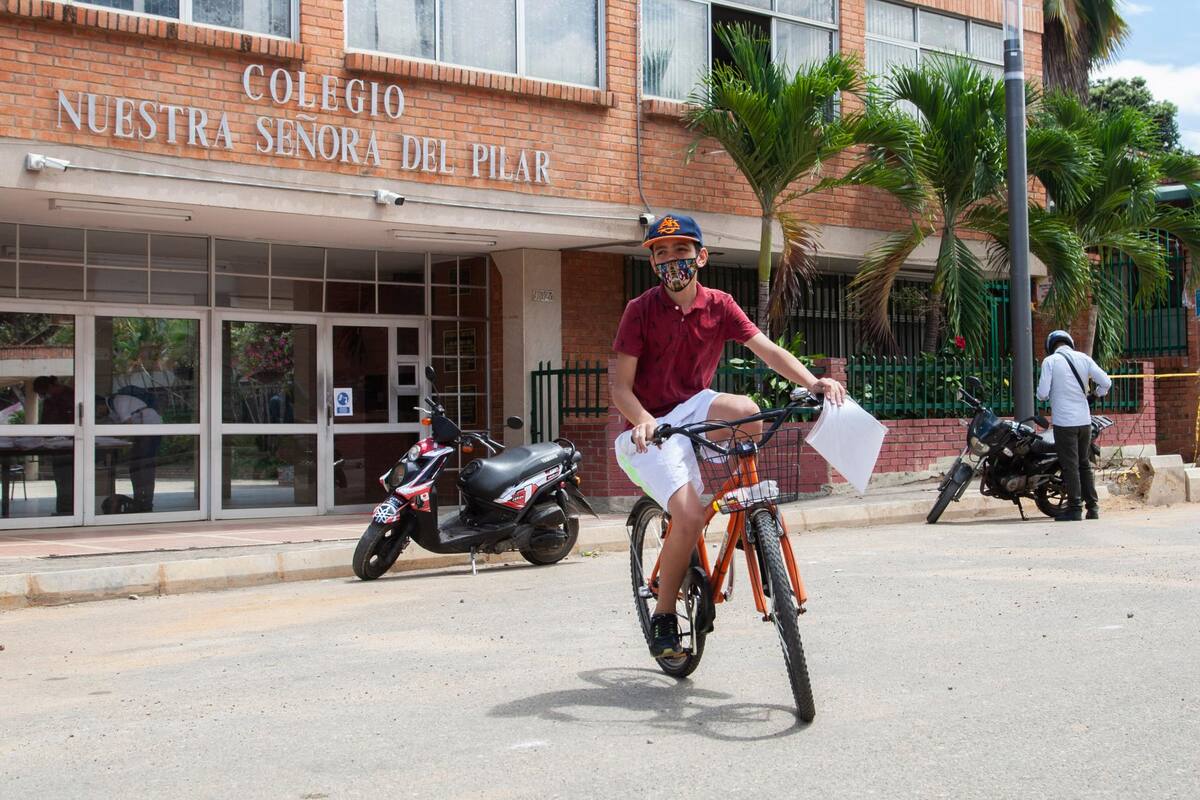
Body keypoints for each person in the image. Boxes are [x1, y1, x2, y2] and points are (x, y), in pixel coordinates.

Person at [612, 213, 846, 659]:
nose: (670, 261)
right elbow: (620, 387)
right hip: (649, 431)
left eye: (680, 251)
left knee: (748, 411)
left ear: (700, 257)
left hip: (694, 407)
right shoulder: (639, 311)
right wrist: (643, 418)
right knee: (689, 516)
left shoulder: (719, 304)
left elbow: (767, 349)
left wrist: (811, 381)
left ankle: (736, 508)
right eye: (660, 253)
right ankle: (664, 615)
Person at [1036, 330, 1112, 522]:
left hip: (1064, 422)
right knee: (1084, 464)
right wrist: (1095, 395)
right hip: (1085, 422)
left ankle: (1074, 508)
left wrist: (1046, 394)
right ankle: (1093, 508)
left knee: (1070, 466)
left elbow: (1043, 393)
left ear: (1050, 346)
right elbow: (1106, 382)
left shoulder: (1050, 362)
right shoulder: (1084, 358)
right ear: (1069, 342)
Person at [108, 388, 163, 513]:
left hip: (150, 428)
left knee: (145, 466)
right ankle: (139, 499)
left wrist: (121, 441)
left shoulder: (118, 401)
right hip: (142, 431)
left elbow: (128, 427)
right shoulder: (112, 409)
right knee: (135, 468)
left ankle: (147, 502)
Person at [32, 375, 74, 514]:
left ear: (51, 387)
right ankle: (63, 511)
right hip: (56, 445)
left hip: (68, 445)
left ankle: (67, 511)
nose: (44, 396)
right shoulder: (52, 399)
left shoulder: (69, 396)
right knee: (61, 480)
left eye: (44, 393)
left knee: (66, 480)